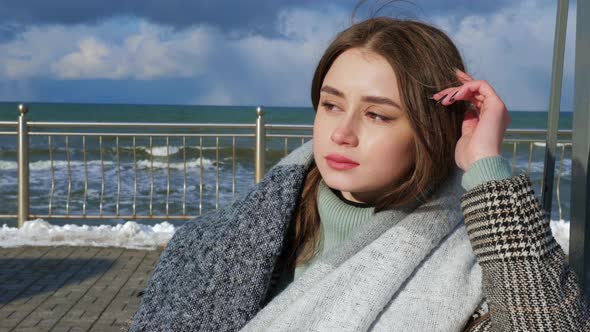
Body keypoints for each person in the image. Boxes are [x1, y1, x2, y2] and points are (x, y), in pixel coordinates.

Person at [129, 17, 589, 331]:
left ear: (431, 131)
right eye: (331, 105)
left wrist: (486, 167)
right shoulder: (211, 247)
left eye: (378, 115)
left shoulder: (477, 272)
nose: (342, 133)